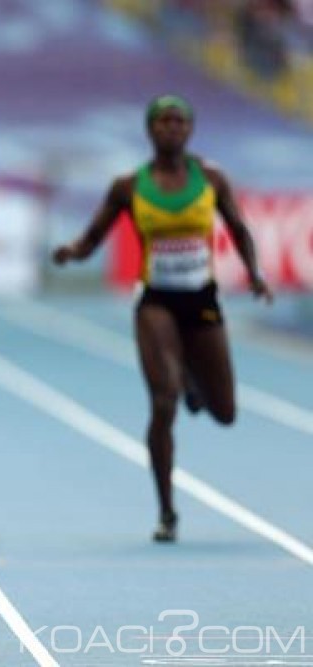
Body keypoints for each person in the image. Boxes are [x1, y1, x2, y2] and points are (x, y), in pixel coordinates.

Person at [52, 94, 272, 543]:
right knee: (163, 400)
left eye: (179, 121)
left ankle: (192, 381)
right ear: (149, 129)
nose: (171, 128)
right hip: (156, 302)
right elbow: (93, 237)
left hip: (202, 300)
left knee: (225, 412)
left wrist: (254, 273)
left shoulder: (211, 178)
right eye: (163, 121)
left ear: (190, 129)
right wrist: (71, 252)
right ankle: (167, 511)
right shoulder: (128, 186)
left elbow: (238, 229)